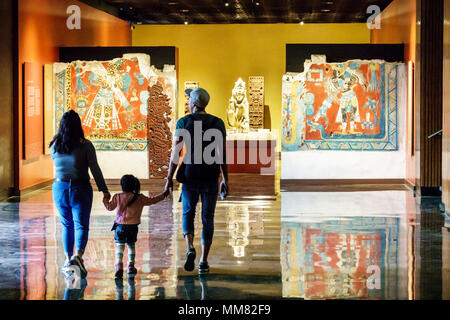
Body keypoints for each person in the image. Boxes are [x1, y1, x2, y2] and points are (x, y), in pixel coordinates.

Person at [165, 87, 229, 274]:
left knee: (188, 213)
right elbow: (222, 154)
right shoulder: (217, 123)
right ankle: (203, 261)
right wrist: (225, 179)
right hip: (210, 174)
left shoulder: (184, 122)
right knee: (208, 217)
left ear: (192, 103)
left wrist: (169, 177)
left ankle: (190, 247)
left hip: (190, 174)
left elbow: (175, 153)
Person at [50, 110, 111, 279]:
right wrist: (104, 190)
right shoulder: (85, 145)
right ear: (79, 126)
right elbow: (95, 169)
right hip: (80, 188)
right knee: (81, 225)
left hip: (59, 188)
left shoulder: (54, 145)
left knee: (67, 225)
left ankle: (68, 259)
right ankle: (78, 257)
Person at [104, 174, 170, 278]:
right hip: (133, 227)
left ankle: (119, 267)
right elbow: (153, 200)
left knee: (120, 247)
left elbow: (109, 207)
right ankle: (130, 266)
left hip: (120, 226)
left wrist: (105, 198)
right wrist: (164, 194)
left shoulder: (117, 196)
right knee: (131, 246)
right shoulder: (140, 198)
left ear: (122, 185)